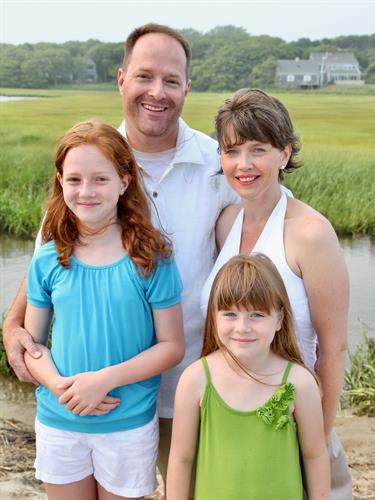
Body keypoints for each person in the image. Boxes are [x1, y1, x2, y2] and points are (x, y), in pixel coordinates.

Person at [3, 23, 237, 482]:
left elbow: (264, 236)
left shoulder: (218, 165)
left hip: (194, 388)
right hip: (88, 403)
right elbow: (48, 263)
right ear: (121, 79)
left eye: (171, 81)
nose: (158, 92)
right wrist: (13, 324)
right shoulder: (90, 159)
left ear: (187, 87)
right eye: (145, 76)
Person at [200, 88, 352, 499]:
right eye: (232, 151)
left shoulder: (311, 233)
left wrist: (315, 439)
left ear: (284, 154)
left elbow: (333, 347)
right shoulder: (226, 222)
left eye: (258, 149)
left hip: (294, 426)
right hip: (232, 427)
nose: (243, 164)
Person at [23, 120, 185, 499]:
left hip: (127, 425)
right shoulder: (48, 259)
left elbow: (172, 345)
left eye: (100, 179)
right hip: (59, 422)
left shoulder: (151, 258)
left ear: (124, 182)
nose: (86, 192)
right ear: (60, 181)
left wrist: (104, 380)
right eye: (75, 180)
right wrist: (58, 385)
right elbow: (32, 344)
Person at [167, 254, 330, 500]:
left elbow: (315, 455)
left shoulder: (298, 382)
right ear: (213, 316)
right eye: (230, 314)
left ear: (279, 319)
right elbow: (181, 458)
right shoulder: (196, 379)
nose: (242, 327)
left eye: (256, 314)